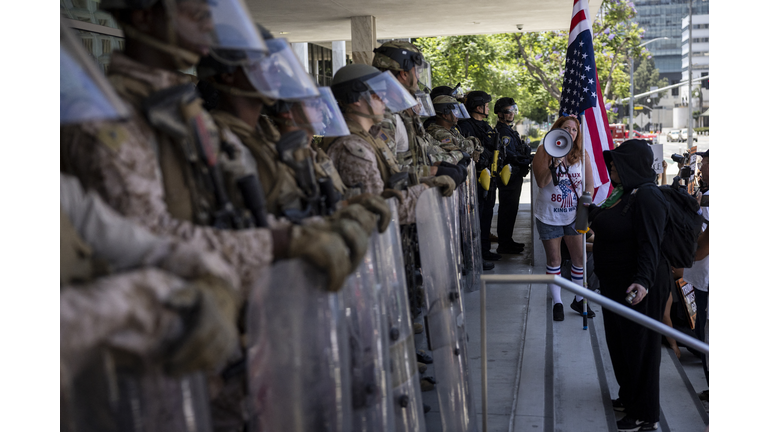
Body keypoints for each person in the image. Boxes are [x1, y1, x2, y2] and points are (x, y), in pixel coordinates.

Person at [59, 3, 367, 430]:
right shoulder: (111, 118)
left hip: (222, 331)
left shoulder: (183, 113)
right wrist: (283, 242)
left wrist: (306, 232)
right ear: (146, 16)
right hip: (163, 357)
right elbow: (145, 236)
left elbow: (226, 216)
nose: (210, 23)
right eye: (193, 11)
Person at [589, 139, 670, 431]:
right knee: (620, 345)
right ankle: (629, 397)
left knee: (641, 349)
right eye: (611, 161)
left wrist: (642, 281)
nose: (612, 166)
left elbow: (651, 245)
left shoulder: (648, 196)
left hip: (640, 287)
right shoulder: (622, 193)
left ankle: (645, 413)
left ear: (633, 164)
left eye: (617, 162)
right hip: (616, 286)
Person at [531, 116, 594, 321]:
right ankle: (557, 302)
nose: (570, 132)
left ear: (577, 134)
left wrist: (585, 206)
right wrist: (554, 163)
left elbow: (589, 186)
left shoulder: (581, 154)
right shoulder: (544, 151)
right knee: (554, 260)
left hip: (574, 216)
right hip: (549, 215)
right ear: (557, 130)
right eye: (566, 128)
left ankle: (579, 299)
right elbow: (541, 183)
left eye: (574, 130)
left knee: (578, 259)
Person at [457, 90, 500, 267]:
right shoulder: (465, 126)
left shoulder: (486, 126)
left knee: (487, 214)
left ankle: (484, 250)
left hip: (490, 176)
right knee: (476, 217)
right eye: (486, 105)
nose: (488, 108)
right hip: (475, 178)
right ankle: (475, 256)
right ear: (478, 106)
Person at [682, 150, 709, 399]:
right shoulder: (706, 194)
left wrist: (682, 261)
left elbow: (704, 245)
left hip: (706, 277)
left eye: (705, 163)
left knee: (705, 336)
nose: (701, 168)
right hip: (701, 278)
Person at [493, 97, 533, 255]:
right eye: (508, 111)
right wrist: (525, 159)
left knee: (511, 210)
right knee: (507, 210)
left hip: (514, 175)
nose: (511, 114)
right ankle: (504, 244)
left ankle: (507, 241)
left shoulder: (509, 130)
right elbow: (509, 155)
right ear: (500, 113)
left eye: (513, 110)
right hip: (509, 176)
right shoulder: (504, 132)